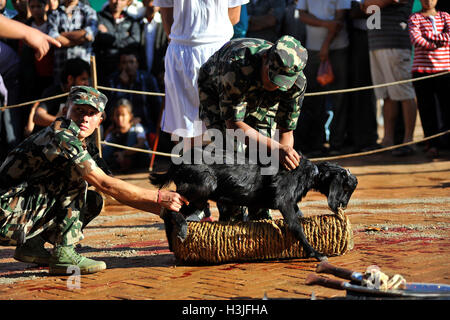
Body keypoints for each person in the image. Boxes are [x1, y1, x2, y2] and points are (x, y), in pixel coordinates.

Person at [0, 86, 188, 275]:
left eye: (92, 113)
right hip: (5, 215)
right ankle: (64, 253)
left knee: (93, 201)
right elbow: (103, 183)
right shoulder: (61, 137)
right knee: (78, 177)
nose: (85, 118)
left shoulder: (82, 143)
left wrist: (164, 211)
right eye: (79, 111)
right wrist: (159, 196)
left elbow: (114, 189)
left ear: (100, 120)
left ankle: (32, 245)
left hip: (19, 211)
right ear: (66, 111)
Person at [198, 35, 307, 220]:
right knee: (230, 153)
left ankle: (260, 211)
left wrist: (283, 157)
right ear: (265, 59)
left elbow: (286, 131)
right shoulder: (236, 65)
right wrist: (276, 148)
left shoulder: (296, 82)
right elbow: (234, 124)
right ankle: (232, 214)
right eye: (273, 78)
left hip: (259, 99)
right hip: (217, 90)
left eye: (282, 83)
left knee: (264, 154)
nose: (276, 87)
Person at [154, 0, 247, 144]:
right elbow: (234, 16)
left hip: (200, 49)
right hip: (190, 50)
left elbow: (167, 16)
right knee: (189, 128)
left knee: (215, 126)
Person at [295, 0, 351, 156]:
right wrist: (327, 23)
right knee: (314, 99)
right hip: (312, 50)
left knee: (339, 98)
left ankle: (336, 143)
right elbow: (302, 15)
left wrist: (326, 44)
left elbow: (339, 20)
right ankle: (316, 144)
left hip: (338, 48)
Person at [363, 0, 418, 156]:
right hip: (376, 43)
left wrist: (371, 3)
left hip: (396, 42)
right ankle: (388, 141)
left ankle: (409, 141)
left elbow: (374, 4)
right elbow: (366, 8)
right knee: (386, 95)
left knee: (406, 93)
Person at [408, 0, 450, 158]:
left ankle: (446, 142)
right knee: (426, 110)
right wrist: (438, 41)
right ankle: (432, 144)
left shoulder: (445, 16)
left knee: (447, 108)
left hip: (444, 71)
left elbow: (449, 37)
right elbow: (415, 40)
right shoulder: (414, 18)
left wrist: (428, 38)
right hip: (421, 71)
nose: (427, 1)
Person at [105, 49, 162, 143]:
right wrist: (125, 85)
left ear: (137, 64)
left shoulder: (148, 79)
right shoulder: (113, 81)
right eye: (124, 63)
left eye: (131, 62)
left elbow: (157, 106)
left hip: (145, 125)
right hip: (119, 125)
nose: (128, 66)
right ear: (119, 65)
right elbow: (110, 109)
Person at [347, 0, 379, 152]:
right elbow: (352, 12)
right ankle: (358, 138)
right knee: (359, 90)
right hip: (356, 39)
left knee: (370, 91)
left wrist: (364, 8)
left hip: (376, 38)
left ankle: (368, 137)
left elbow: (372, 9)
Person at [31, 57, 90, 134]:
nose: (87, 84)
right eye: (83, 79)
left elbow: (102, 115)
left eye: (87, 80)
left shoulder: (83, 95)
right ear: (70, 79)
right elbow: (38, 117)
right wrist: (65, 123)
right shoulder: (53, 92)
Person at [47, 0, 98, 81]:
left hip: (83, 71)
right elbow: (52, 37)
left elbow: (90, 34)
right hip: (61, 69)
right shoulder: (55, 13)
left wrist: (63, 34)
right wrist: (80, 36)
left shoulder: (88, 11)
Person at [94, 0, 141, 85]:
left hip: (125, 74)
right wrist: (124, 35)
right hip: (101, 71)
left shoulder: (131, 20)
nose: (118, 2)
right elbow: (100, 37)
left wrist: (109, 35)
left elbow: (135, 41)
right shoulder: (98, 17)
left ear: (128, 2)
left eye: (122, 0)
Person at [102, 99, 151, 172]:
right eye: (117, 115)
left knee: (132, 133)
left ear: (130, 116)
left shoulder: (137, 127)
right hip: (120, 159)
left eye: (123, 115)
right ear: (113, 117)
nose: (120, 118)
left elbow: (141, 144)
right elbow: (105, 148)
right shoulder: (113, 131)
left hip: (139, 158)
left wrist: (123, 153)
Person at [139, 0, 168, 90]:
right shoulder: (137, 23)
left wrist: (164, 71)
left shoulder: (167, 23)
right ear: (144, 2)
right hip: (141, 77)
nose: (154, 4)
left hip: (162, 77)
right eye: (151, 0)